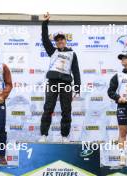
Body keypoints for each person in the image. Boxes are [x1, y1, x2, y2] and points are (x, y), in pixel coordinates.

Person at [39, 12, 81, 143]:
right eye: (57, 40)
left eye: (62, 39)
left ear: (65, 40)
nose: (60, 41)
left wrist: (77, 88)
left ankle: (64, 136)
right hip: (52, 82)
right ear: (56, 42)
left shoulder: (72, 53)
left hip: (66, 84)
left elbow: (76, 71)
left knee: (66, 109)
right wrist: (45, 23)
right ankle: (44, 135)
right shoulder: (52, 51)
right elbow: (45, 39)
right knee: (48, 108)